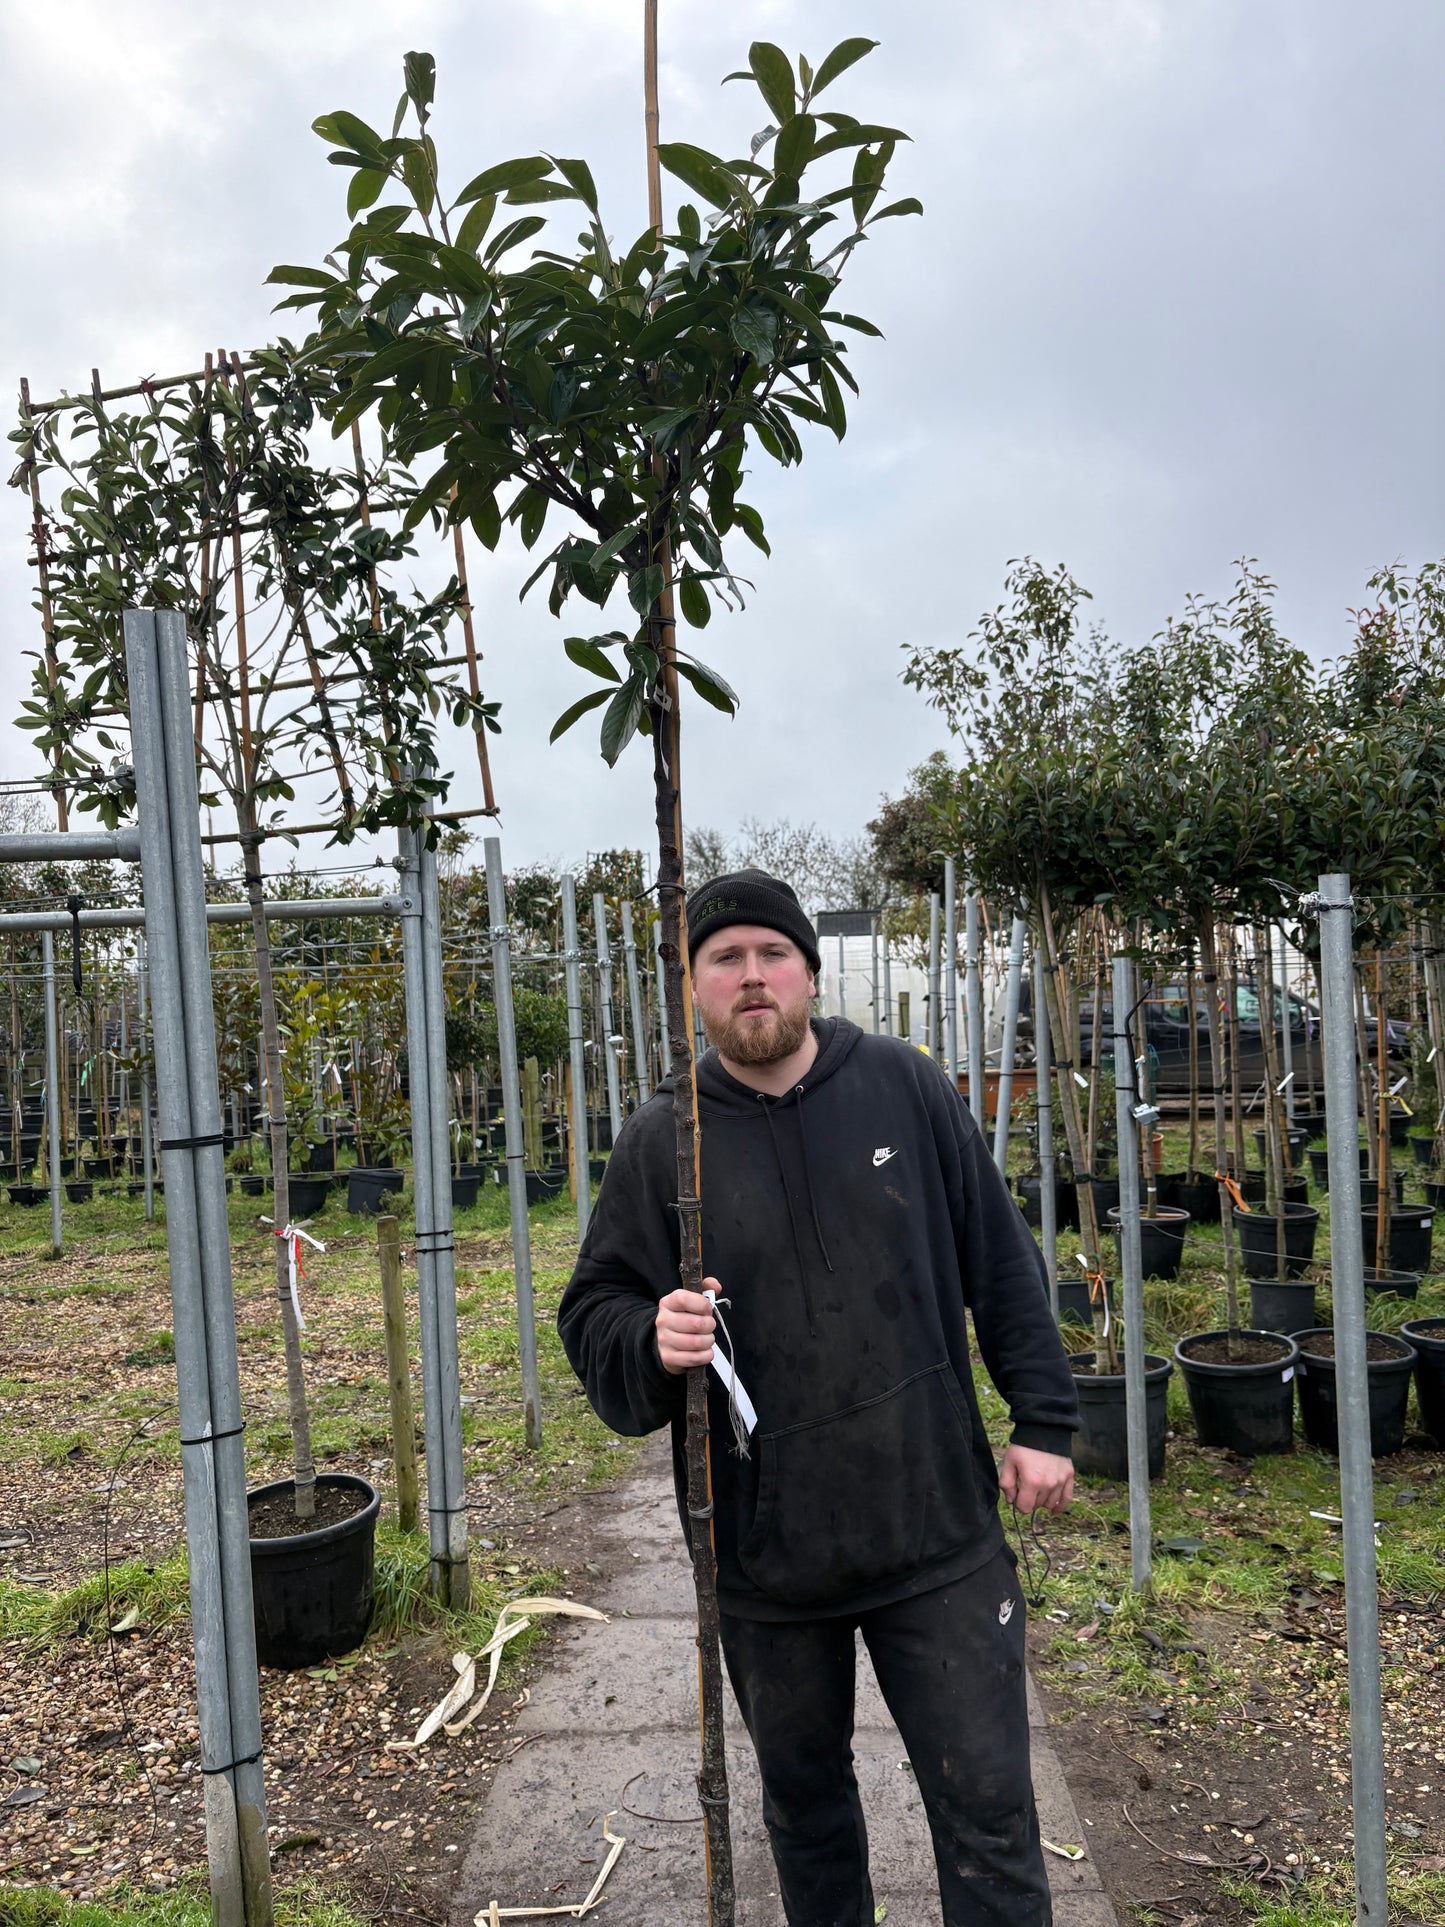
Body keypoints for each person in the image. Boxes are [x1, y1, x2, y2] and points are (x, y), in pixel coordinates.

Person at [558, 869, 1079, 1927]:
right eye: (723, 958)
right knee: (805, 1815)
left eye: (772, 954)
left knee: (986, 1806)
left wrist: (1042, 1419)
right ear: (693, 987)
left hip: (933, 1526)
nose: (750, 975)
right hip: (765, 1556)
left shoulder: (901, 1084)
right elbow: (592, 1307)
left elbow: (998, 1254)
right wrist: (650, 1335)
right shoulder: (664, 1138)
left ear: (807, 971)